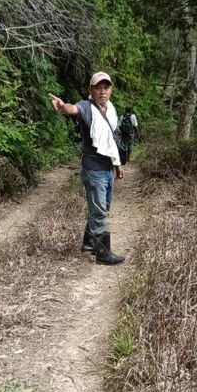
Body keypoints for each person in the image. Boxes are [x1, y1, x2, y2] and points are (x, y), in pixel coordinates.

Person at [49, 72, 126, 265]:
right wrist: (62, 107)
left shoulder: (110, 109)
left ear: (111, 90)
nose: (102, 92)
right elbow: (72, 109)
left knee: (103, 206)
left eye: (106, 88)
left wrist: (116, 165)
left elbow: (112, 140)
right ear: (91, 90)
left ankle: (89, 243)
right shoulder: (86, 106)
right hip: (94, 169)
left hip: (107, 167)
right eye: (98, 88)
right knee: (100, 211)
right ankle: (103, 253)